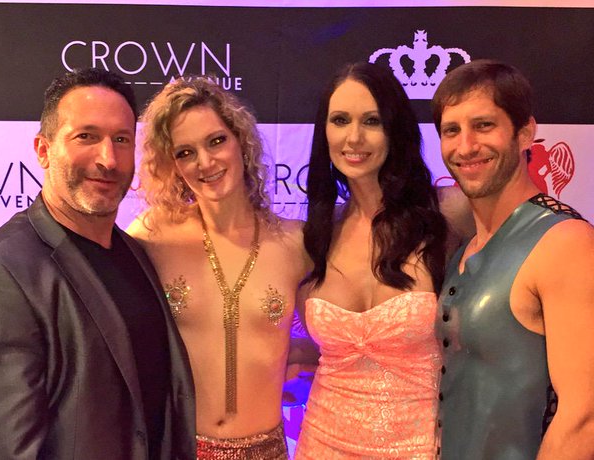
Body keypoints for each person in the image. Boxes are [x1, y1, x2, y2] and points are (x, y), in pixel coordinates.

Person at [0, 68, 196, 460]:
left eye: (121, 139)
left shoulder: (136, 253)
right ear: (43, 150)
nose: (108, 159)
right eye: (86, 137)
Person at [294, 61, 472, 459]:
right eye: (340, 120)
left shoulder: (449, 214)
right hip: (321, 444)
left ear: (396, 129)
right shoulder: (316, 235)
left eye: (371, 121)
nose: (354, 137)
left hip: (422, 447)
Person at [127, 77, 310, 459]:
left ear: (241, 141)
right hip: (182, 450)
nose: (205, 162)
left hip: (269, 452)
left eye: (216, 141)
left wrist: (290, 355)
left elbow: (338, 337)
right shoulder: (152, 236)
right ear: (172, 165)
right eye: (185, 152)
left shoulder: (295, 243)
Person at [432, 59, 594, 459]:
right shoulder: (465, 249)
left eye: (484, 125)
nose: (466, 146)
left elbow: (584, 418)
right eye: (452, 130)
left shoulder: (565, 242)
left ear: (525, 132)